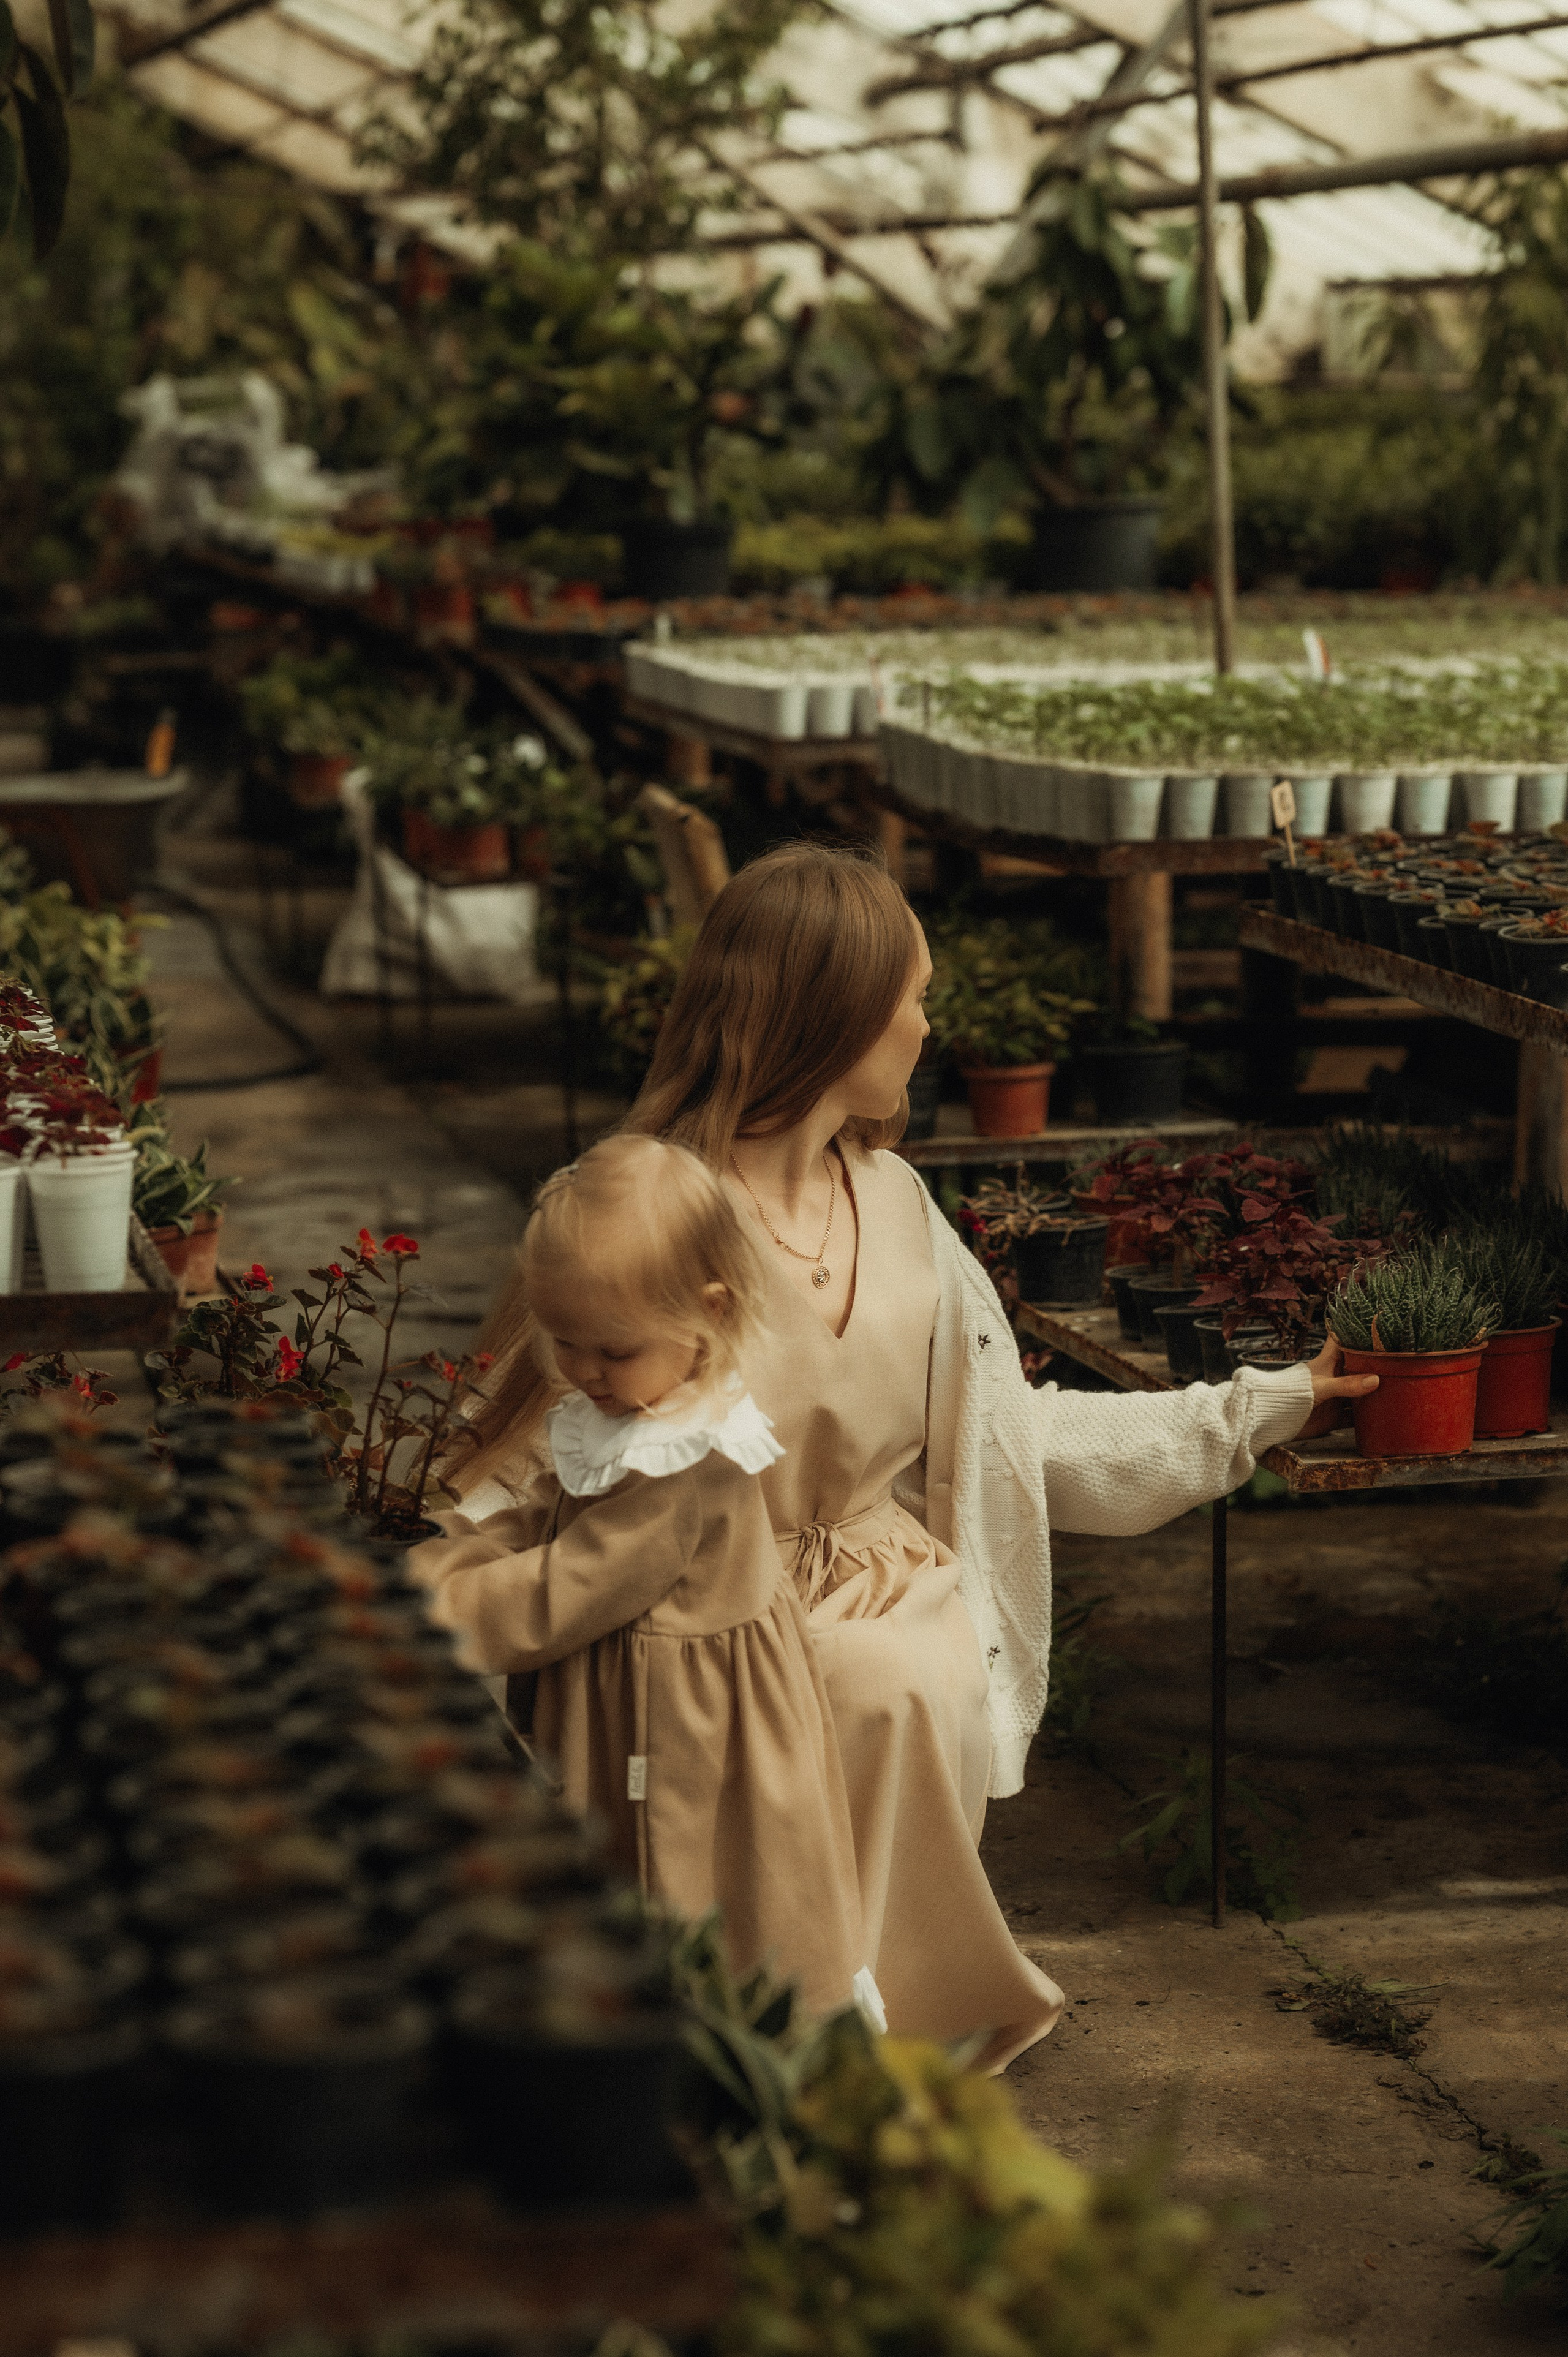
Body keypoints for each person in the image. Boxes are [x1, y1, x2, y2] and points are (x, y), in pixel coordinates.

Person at [448, 845, 1378, 2072]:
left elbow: (1007, 1436)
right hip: (712, 1601)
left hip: (889, 1577)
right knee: (845, 1678)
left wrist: (1244, 1414)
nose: (929, 1022)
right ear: (832, 1015)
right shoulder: (659, 1219)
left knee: (890, 1667)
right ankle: (777, 2038)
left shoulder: (895, 1202)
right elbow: (514, 1452)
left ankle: (862, 2031)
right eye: (913, 993)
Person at [409, 1133, 871, 2023]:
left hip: (681, 1729)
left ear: (708, 1312)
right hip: (634, 1690)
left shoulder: (690, 1461)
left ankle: (709, 2047)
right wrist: (449, 1551)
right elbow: (550, 1510)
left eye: (611, 1350)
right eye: (565, 1342)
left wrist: (432, 1610)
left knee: (689, 1888)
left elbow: (574, 1583)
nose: (584, 1373)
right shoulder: (638, 1401)